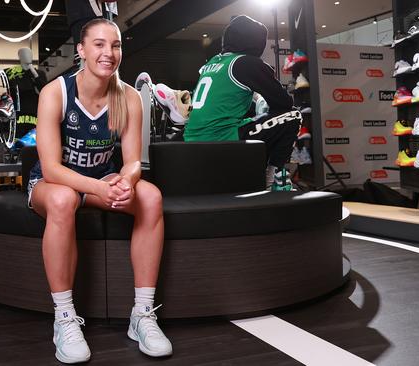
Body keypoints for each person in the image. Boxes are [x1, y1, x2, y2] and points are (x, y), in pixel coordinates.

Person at [27, 18, 172, 364]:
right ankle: (64, 318)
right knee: (63, 199)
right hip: (55, 185)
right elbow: (51, 169)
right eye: (99, 44)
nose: (109, 52)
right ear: (81, 50)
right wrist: (99, 187)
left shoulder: (130, 98)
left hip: (100, 183)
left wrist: (126, 181)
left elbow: (134, 161)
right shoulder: (55, 93)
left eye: (116, 45)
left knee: (151, 196)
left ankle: (142, 315)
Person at [183, 15, 302, 191]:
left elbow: (225, 102)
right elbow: (283, 103)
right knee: (293, 115)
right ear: (256, 41)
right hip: (221, 138)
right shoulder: (246, 63)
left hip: (192, 139)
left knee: (254, 113)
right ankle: (274, 178)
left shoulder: (213, 62)